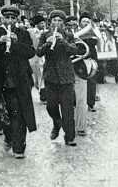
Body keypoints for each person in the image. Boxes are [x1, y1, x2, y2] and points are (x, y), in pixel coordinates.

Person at [0, 5, 37, 158]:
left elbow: (31, 52)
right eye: (7, 18)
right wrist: (0, 42)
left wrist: (16, 44)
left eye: (13, 18)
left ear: (17, 19)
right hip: (1, 79)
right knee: (5, 114)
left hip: (20, 79)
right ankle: (9, 136)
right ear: (2, 18)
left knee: (19, 113)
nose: (9, 20)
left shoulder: (23, 33)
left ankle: (19, 147)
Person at [37, 10, 82, 146]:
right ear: (50, 22)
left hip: (66, 77)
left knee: (67, 108)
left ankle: (69, 136)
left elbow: (75, 50)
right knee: (51, 106)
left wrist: (62, 42)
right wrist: (47, 43)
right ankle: (57, 124)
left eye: (60, 21)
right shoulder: (45, 35)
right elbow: (38, 52)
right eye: (54, 20)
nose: (57, 23)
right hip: (51, 76)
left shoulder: (68, 35)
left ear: (63, 23)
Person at [80, 12, 99, 112]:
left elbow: (94, 41)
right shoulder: (76, 32)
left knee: (91, 81)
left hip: (90, 58)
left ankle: (91, 104)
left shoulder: (93, 31)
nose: (86, 23)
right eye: (84, 21)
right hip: (79, 60)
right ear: (80, 23)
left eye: (88, 21)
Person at [28, 15, 47, 103]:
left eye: (44, 23)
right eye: (41, 23)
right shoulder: (30, 32)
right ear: (37, 24)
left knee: (42, 77)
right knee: (36, 78)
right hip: (34, 58)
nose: (43, 25)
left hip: (43, 57)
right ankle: (39, 90)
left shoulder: (47, 32)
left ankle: (43, 96)